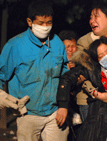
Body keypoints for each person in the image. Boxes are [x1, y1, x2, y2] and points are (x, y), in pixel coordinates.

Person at [0, 1, 69, 141]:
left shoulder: (57, 44)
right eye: (41, 22)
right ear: (29, 21)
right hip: (27, 114)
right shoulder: (14, 45)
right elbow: (1, 74)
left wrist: (64, 105)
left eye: (49, 22)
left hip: (54, 113)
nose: (45, 27)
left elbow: (65, 76)